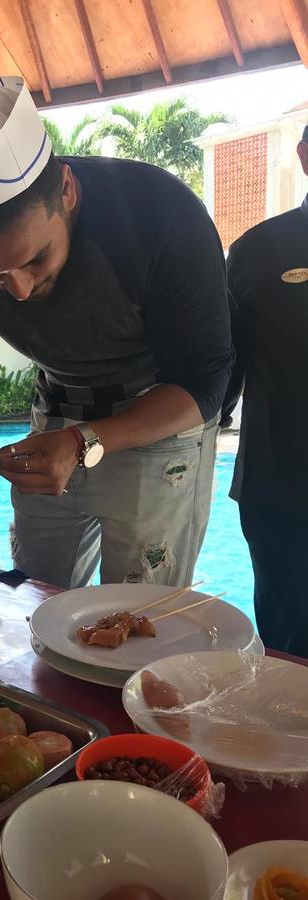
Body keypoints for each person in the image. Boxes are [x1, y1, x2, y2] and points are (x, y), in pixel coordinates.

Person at [0, 76, 234, 588]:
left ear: (67, 190)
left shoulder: (159, 213)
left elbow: (204, 382)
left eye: (35, 259)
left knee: (136, 612)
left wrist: (85, 440)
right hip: (56, 408)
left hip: (159, 414)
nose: (19, 290)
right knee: (35, 597)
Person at [221, 124, 308, 655]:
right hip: (278, 488)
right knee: (286, 647)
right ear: (305, 155)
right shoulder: (257, 251)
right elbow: (222, 369)